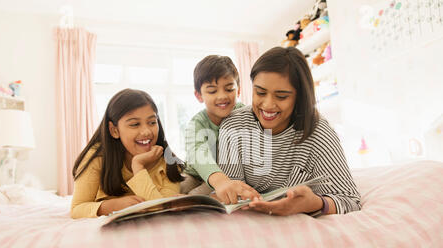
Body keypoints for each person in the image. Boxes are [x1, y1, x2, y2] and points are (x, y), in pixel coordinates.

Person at [218, 46, 361, 216]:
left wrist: (314, 203)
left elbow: (350, 200)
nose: (268, 105)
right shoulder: (233, 126)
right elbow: (232, 195)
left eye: (281, 96)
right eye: (260, 92)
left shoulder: (319, 132)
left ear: (299, 97)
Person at [70, 89, 184, 219]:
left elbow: (162, 209)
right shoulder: (97, 158)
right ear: (114, 130)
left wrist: (138, 165)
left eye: (152, 122)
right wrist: (109, 206)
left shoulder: (169, 162)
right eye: (135, 124)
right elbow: (76, 209)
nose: (146, 131)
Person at [181, 55, 259, 204]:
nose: (222, 96)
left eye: (229, 89)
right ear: (199, 96)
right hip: (196, 174)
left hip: (228, 174)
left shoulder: (247, 114)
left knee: (196, 198)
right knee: (179, 190)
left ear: (239, 90)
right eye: (212, 91)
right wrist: (219, 180)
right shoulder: (197, 123)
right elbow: (197, 152)